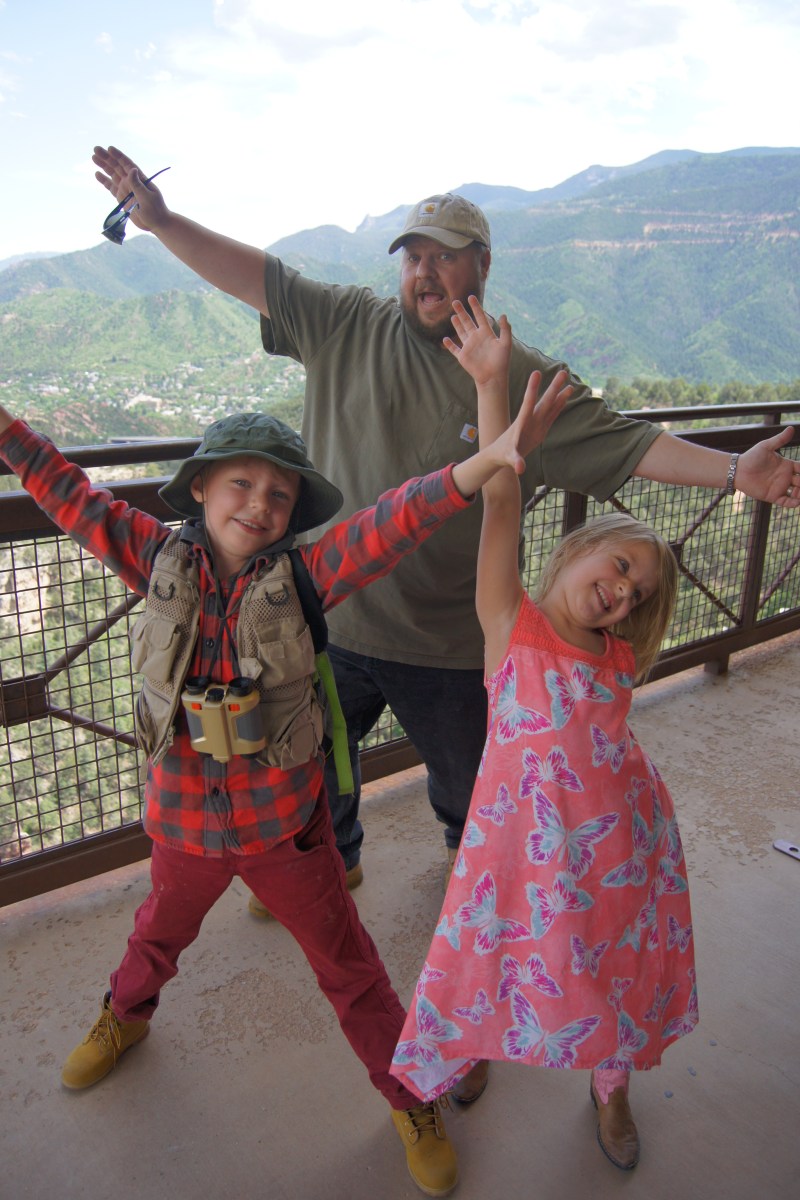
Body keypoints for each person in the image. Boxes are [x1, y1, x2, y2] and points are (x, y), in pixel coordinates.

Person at [90, 147, 800, 933]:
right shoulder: (347, 323)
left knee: (471, 793)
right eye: (413, 256)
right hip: (324, 621)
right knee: (311, 766)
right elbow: (254, 276)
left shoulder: (518, 375)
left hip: (451, 644)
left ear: (482, 266)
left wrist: (734, 471)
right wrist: (161, 222)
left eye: (444, 257)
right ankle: (337, 856)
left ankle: (480, 897)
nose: (424, 272)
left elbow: (628, 444)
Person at [0, 363, 569, 1197]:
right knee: (155, 936)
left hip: (286, 834)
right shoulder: (156, 557)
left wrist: (483, 464)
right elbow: (70, 495)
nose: (259, 505)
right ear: (199, 488)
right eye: (240, 483)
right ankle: (124, 1018)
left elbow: (392, 522)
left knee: (350, 970)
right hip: (184, 827)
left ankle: (408, 1098)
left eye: (278, 494)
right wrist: (8, 432)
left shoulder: (304, 576)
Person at [390, 297, 698, 1171]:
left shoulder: (616, 656)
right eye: (622, 566)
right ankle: (476, 1045)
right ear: (580, 548)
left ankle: (612, 1085)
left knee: (610, 965)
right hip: (513, 845)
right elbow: (501, 494)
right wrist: (492, 385)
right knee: (488, 953)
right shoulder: (510, 624)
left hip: (619, 845)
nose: (625, 592)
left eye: (639, 593)